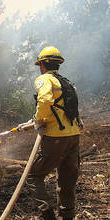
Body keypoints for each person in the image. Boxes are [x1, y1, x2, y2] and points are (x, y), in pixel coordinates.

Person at [22, 46, 82, 220]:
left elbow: (45, 100)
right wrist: (33, 121)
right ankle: (67, 216)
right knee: (66, 181)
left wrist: (39, 120)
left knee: (34, 175)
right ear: (58, 64)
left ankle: (48, 215)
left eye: (40, 64)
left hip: (56, 138)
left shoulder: (45, 79)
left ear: (43, 65)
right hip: (73, 136)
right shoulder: (68, 83)